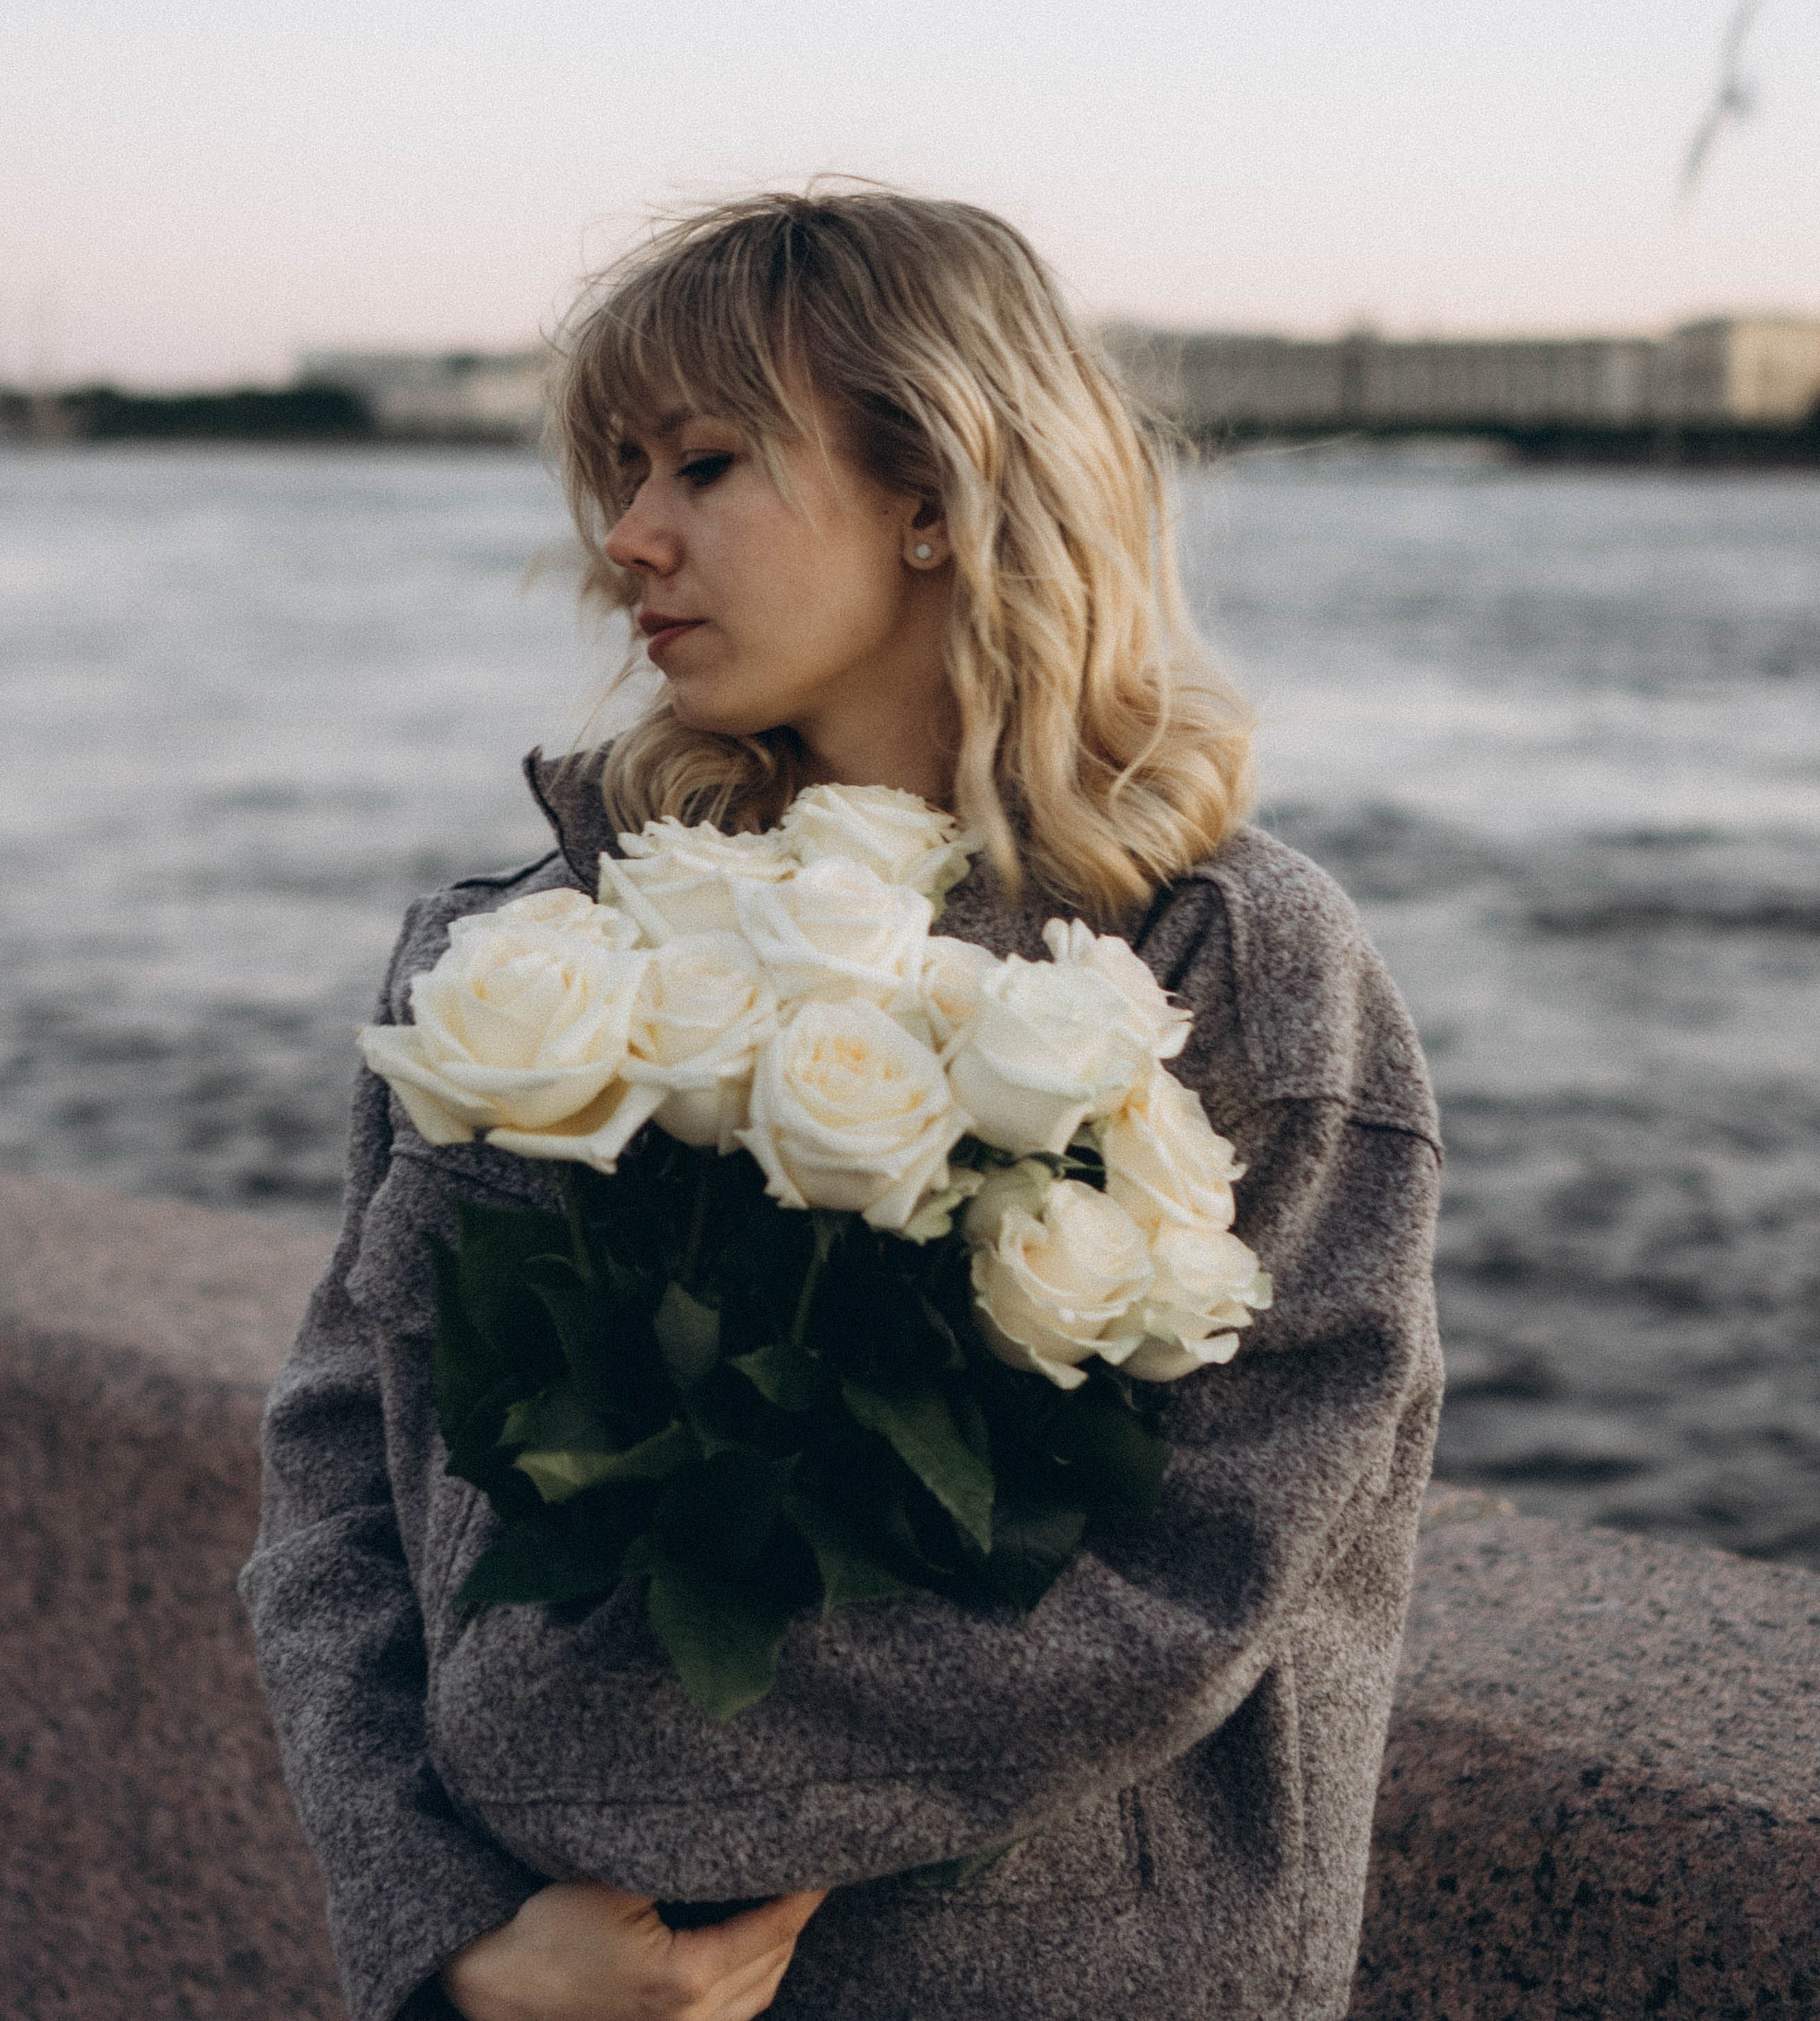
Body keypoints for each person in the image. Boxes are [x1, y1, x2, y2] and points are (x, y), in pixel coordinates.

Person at [241, 187, 1442, 2021]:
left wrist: (609, 1775)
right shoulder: (519, 960)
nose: (627, 538)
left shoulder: (1229, 959)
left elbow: (1222, 1554)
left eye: (706, 463)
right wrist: (455, 1942)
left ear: (938, 492)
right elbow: (342, 1480)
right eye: (619, 470)